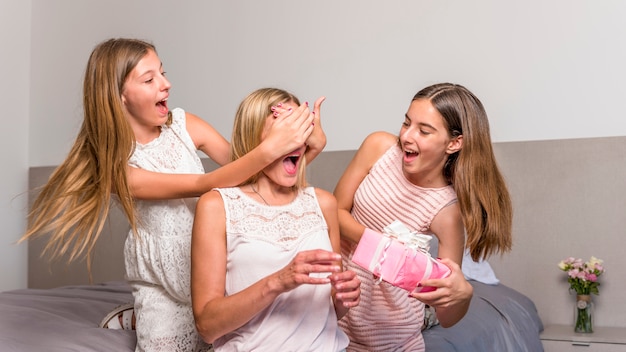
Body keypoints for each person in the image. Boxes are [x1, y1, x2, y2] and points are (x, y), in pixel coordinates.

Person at [20, 38, 326, 352]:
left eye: (163, 73)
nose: (166, 84)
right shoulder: (119, 169)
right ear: (119, 96)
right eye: (149, 79)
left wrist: (307, 145)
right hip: (163, 285)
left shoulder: (184, 125)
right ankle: (139, 314)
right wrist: (271, 148)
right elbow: (205, 183)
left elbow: (251, 178)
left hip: (212, 271)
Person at [334, 82, 513, 351]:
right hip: (335, 313)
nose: (407, 136)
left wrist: (462, 297)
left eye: (424, 131)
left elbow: (447, 314)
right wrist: (385, 248)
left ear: (454, 143)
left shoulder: (447, 210)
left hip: (390, 335)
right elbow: (334, 211)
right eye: (407, 123)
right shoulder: (378, 147)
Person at [191, 88, 361, 352]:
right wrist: (278, 281)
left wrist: (342, 299)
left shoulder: (324, 204)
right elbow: (207, 327)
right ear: (255, 140)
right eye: (285, 131)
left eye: (300, 130)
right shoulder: (217, 206)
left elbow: (330, 314)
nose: (295, 141)